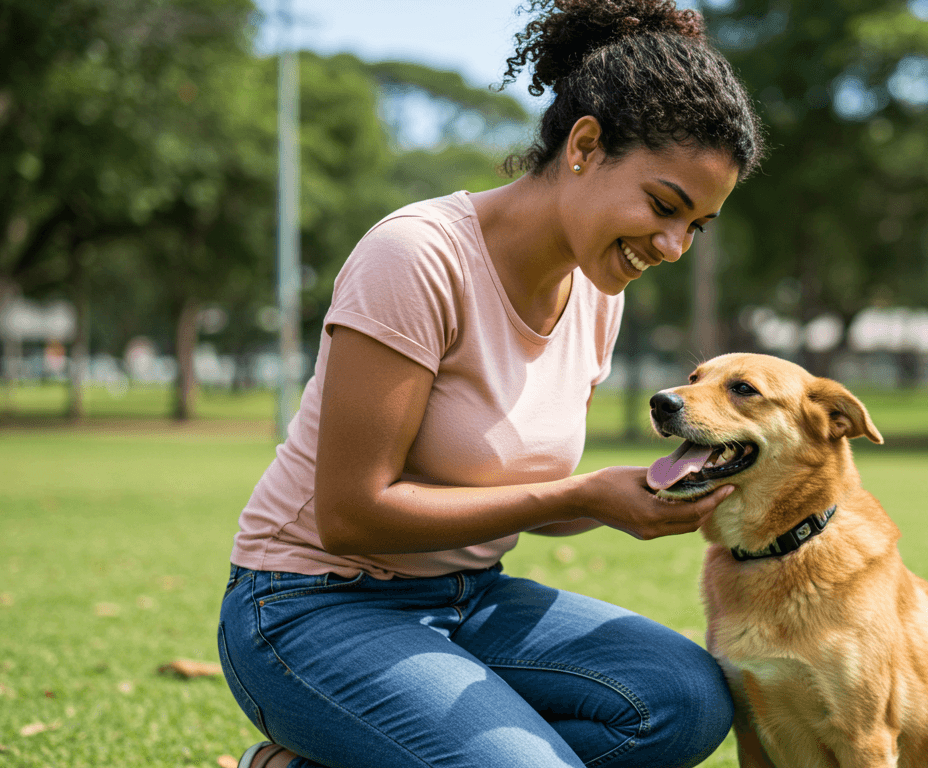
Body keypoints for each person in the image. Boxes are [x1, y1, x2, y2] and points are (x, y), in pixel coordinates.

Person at [218, 1, 765, 766]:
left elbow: (507, 483)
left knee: (684, 701)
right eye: (664, 206)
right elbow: (350, 514)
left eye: (696, 226)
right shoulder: (415, 257)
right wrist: (580, 496)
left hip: (468, 597)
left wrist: (642, 494)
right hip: (308, 606)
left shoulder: (598, 293)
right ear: (584, 145)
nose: (673, 245)